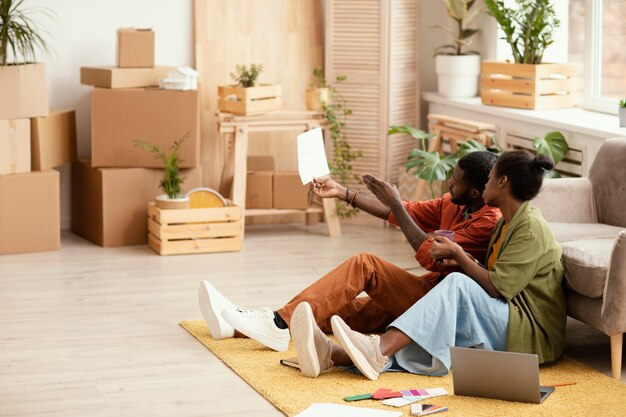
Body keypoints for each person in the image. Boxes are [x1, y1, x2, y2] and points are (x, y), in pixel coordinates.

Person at [288, 150, 566, 379]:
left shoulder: (526, 226)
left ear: (503, 182)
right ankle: (330, 353)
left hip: (528, 330)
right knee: (368, 309)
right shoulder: (508, 220)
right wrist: (345, 194)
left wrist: (457, 255)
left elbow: (497, 288)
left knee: (453, 284)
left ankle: (378, 348)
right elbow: (409, 212)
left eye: (490, 179)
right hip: (497, 312)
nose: (485, 186)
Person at [199, 151, 501, 354]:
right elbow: (403, 212)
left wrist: (397, 205)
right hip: (425, 289)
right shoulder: (455, 202)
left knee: (365, 264)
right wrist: (344, 193)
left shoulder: (488, 221)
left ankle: (277, 324)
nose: (450, 182)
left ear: (475, 192)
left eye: (456, 180)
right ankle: (237, 327)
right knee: (333, 309)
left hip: (442, 304)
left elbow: (428, 254)